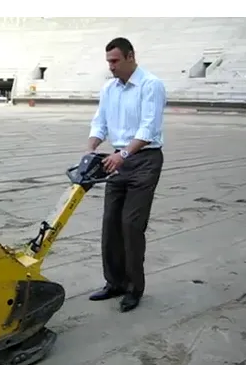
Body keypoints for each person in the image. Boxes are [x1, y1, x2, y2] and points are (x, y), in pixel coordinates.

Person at [86, 37, 166, 312]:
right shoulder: (109, 88)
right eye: (108, 61)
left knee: (131, 225)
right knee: (110, 224)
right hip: (116, 161)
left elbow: (149, 128)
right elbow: (100, 122)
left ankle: (134, 288)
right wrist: (91, 147)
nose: (111, 66)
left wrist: (123, 155)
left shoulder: (151, 85)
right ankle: (114, 283)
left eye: (115, 60)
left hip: (144, 160)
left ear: (131, 56)